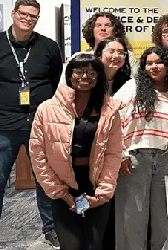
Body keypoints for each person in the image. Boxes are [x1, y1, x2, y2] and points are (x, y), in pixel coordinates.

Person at [29, 53, 123, 250]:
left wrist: (102, 194)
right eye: (79, 72)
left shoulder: (110, 109)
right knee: (70, 245)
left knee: (94, 244)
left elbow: (113, 154)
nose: (85, 77)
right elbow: (38, 155)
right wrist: (61, 193)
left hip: (96, 184)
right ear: (69, 74)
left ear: (99, 77)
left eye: (91, 72)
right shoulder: (46, 109)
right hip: (62, 184)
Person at [0, 0, 61, 248]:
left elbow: (54, 81)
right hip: (1, 125)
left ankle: (51, 228)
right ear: (13, 14)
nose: (27, 19)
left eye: (33, 16)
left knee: (46, 180)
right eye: (23, 14)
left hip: (39, 125)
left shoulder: (48, 47)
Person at [113, 47, 168, 250]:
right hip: (135, 160)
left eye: (159, 62)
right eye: (149, 63)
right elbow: (113, 119)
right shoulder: (132, 87)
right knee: (131, 219)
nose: (154, 66)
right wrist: (121, 154)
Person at [93, 37, 132, 250]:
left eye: (121, 52)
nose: (116, 56)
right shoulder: (87, 75)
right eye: (111, 51)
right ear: (100, 53)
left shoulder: (126, 81)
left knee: (111, 199)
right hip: (89, 144)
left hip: (114, 145)